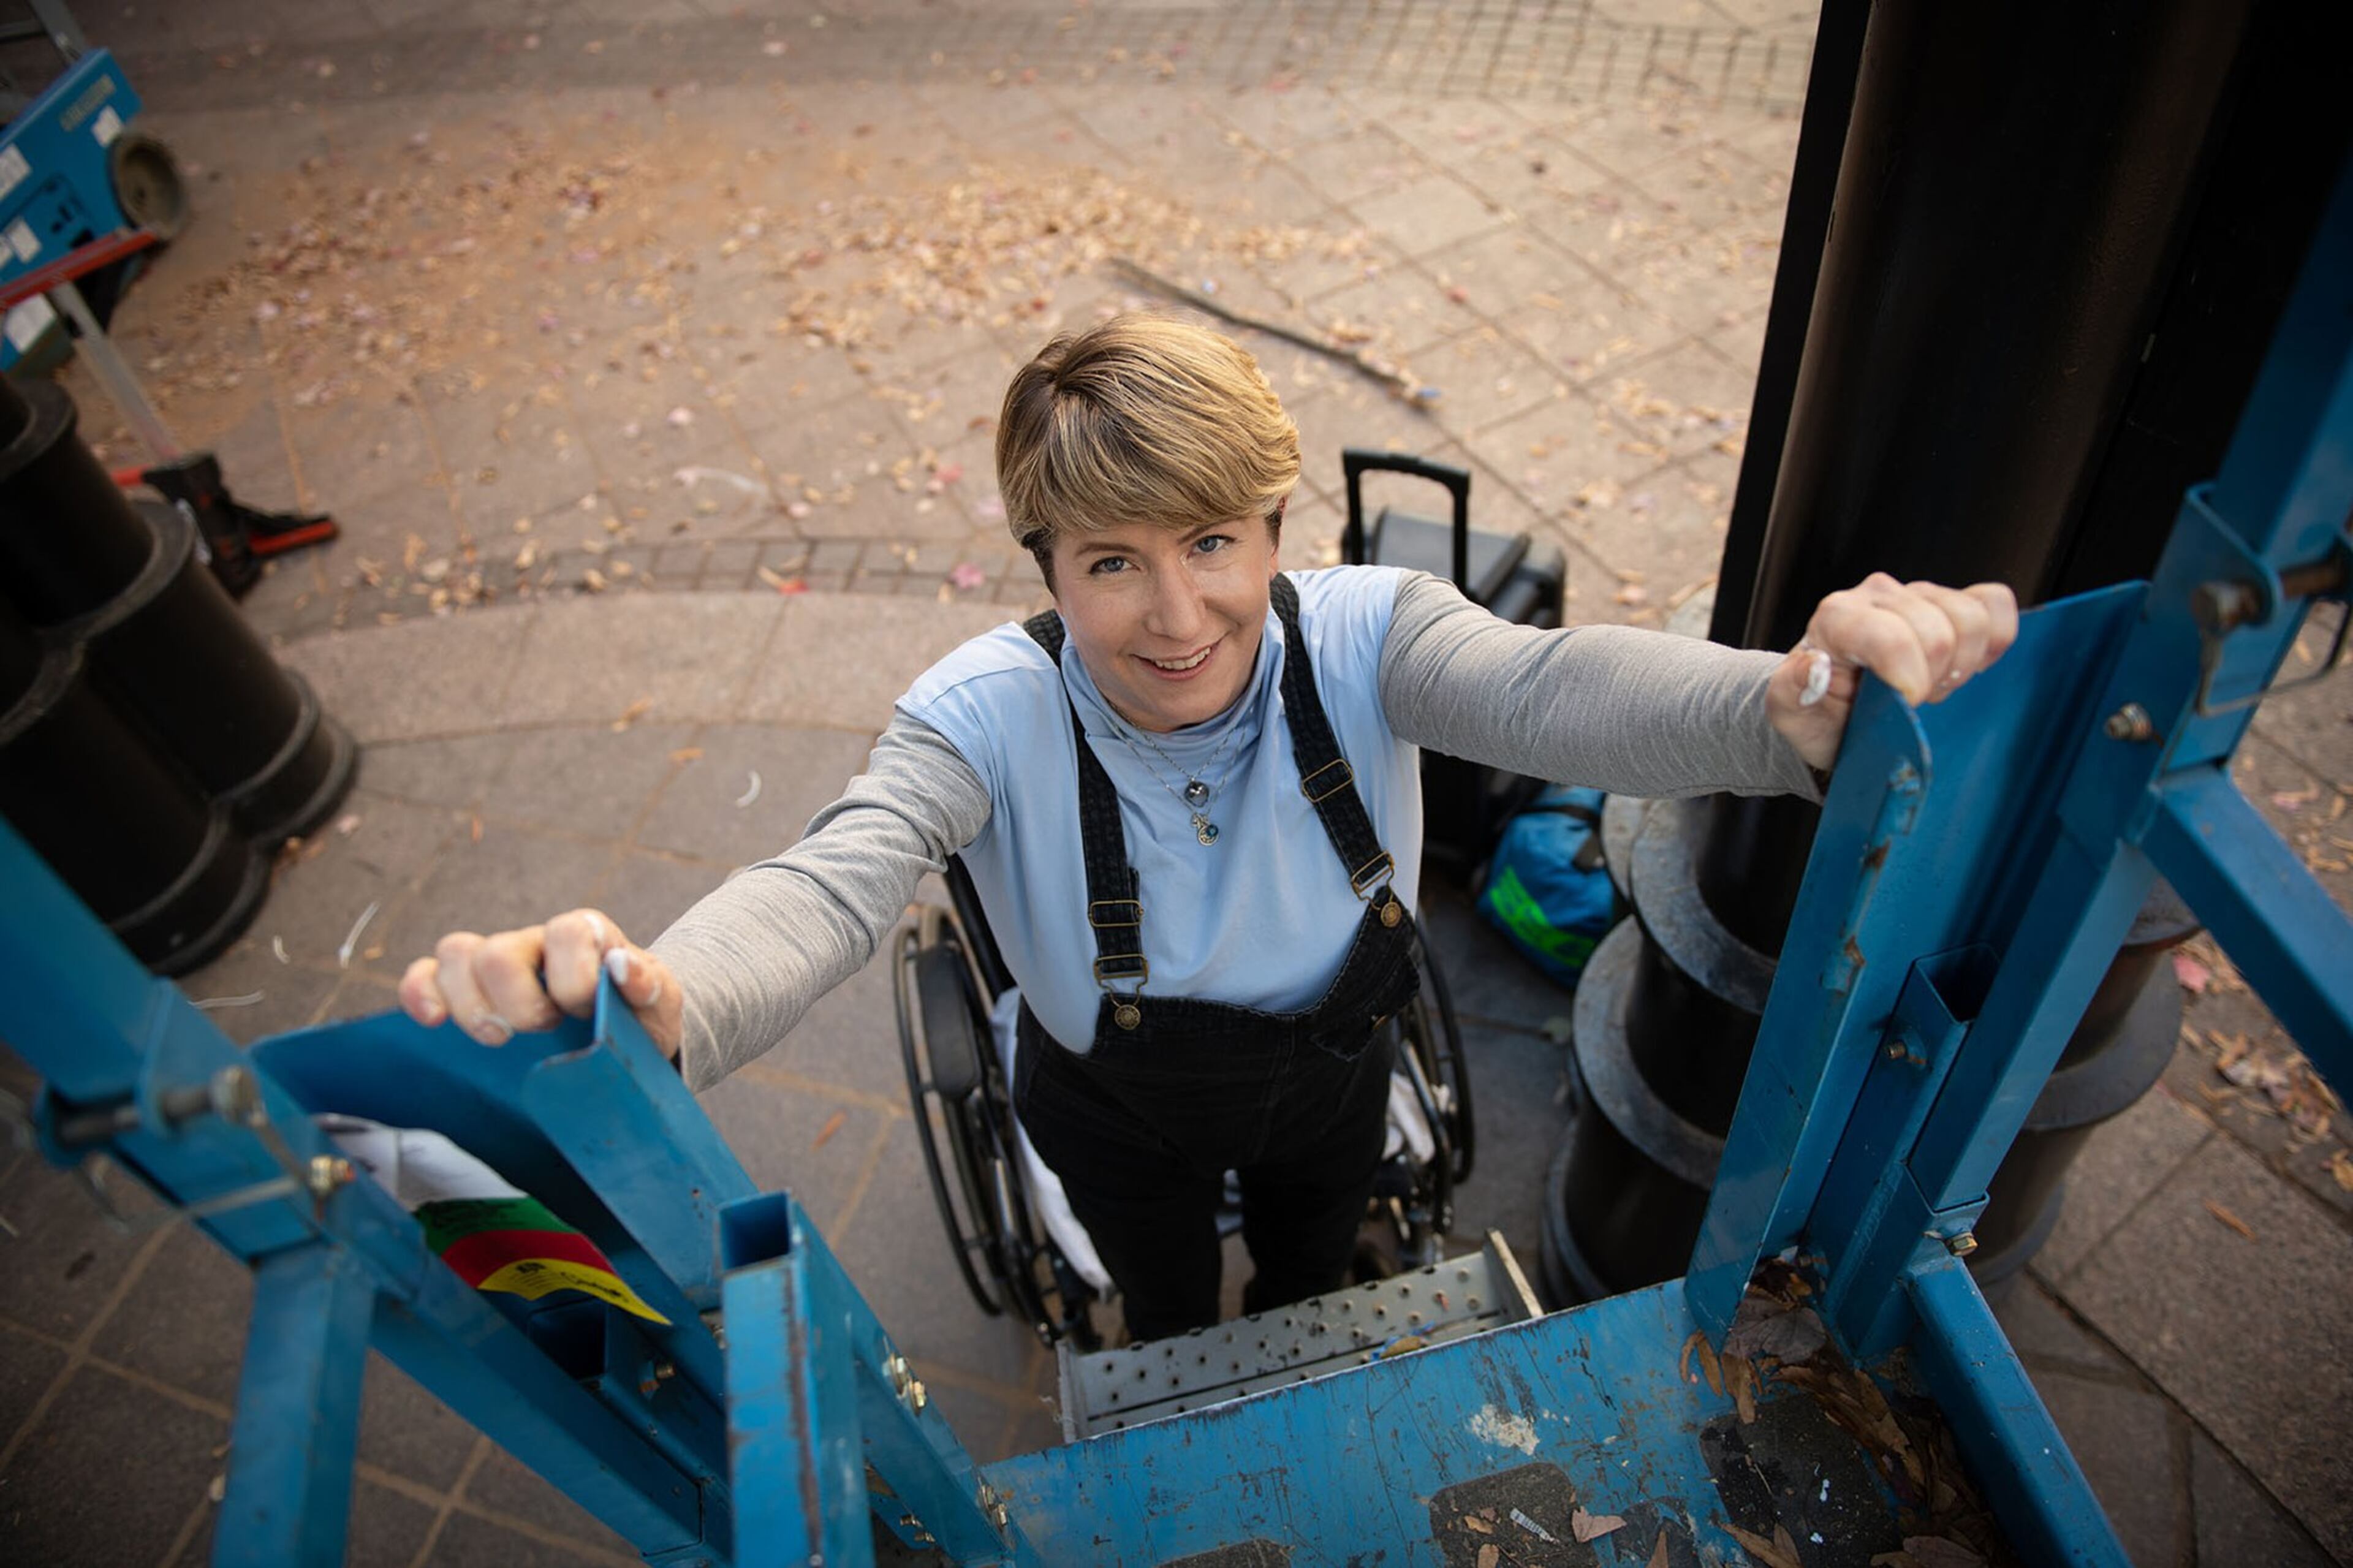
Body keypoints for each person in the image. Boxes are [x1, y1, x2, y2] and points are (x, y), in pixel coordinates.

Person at [399, 312, 2017, 1342]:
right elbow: (837, 877)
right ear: (1047, 569)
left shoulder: (1371, 633)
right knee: (1168, 1298)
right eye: (1112, 562)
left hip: (1335, 1067)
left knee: (1315, 1256)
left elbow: (1544, 689)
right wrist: (661, 1001)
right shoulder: (985, 710)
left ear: (1273, 535)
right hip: (1113, 1103)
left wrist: (1774, 705)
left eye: (1213, 545)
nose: (1177, 618)